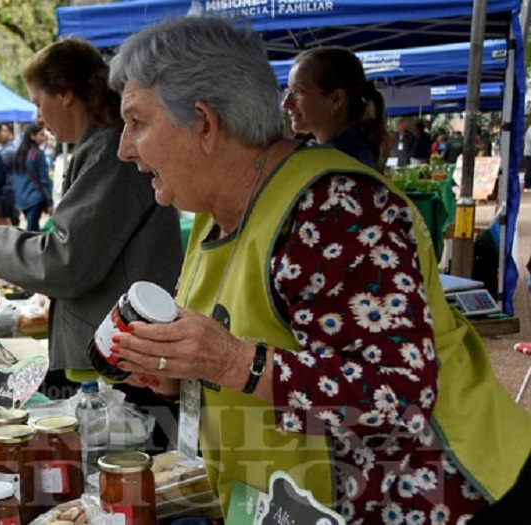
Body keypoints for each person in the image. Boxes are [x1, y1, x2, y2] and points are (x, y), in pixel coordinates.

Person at [109, 16, 531, 523]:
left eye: (137, 123)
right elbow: (253, 345)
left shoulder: (337, 210)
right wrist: (181, 372)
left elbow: (397, 399)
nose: (124, 148)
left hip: (428, 502)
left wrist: (228, 362)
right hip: (294, 501)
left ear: (203, 122)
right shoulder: (211, 215)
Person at [0, 39, 182, 437]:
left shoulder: (111, 151)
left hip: (124, 357)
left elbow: (67, 259)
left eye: (38, 101)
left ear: (65, 93)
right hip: (116, 350)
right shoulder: (97, 146)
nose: (37, 116)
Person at [282, 46, 387, 170]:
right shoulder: (349, 151)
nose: (286, 103)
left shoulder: (336, 163)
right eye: (288, 91)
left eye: (297, 92)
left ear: (336, 99)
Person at [12, 124, 52, 231]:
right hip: (35, 197)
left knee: (31, 227)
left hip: (21, 198)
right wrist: (49, 201)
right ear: (32, 136)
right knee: (32, 230)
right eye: (41, 135)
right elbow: (44, 179)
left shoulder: (19, 154)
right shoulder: (38, 154)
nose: (43, 138)